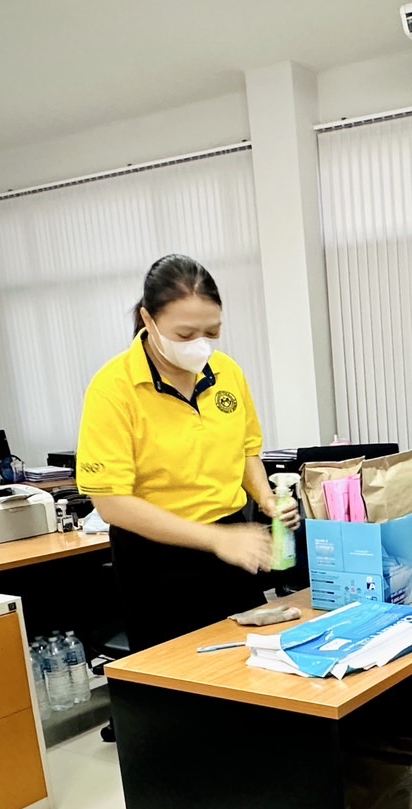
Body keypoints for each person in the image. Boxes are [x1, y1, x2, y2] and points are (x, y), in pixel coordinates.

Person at [76, 254, 298, 655]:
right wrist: (215, 539)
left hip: (232, 542)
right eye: (185, 334)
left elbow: (246, 450)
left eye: (211, 331)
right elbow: (111, 504)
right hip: (156, 556)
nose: (200, 344)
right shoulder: (113, 389)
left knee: (250, 664)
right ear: (148, 319)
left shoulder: (226, 372)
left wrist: (267, 499)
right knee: (178, 676)